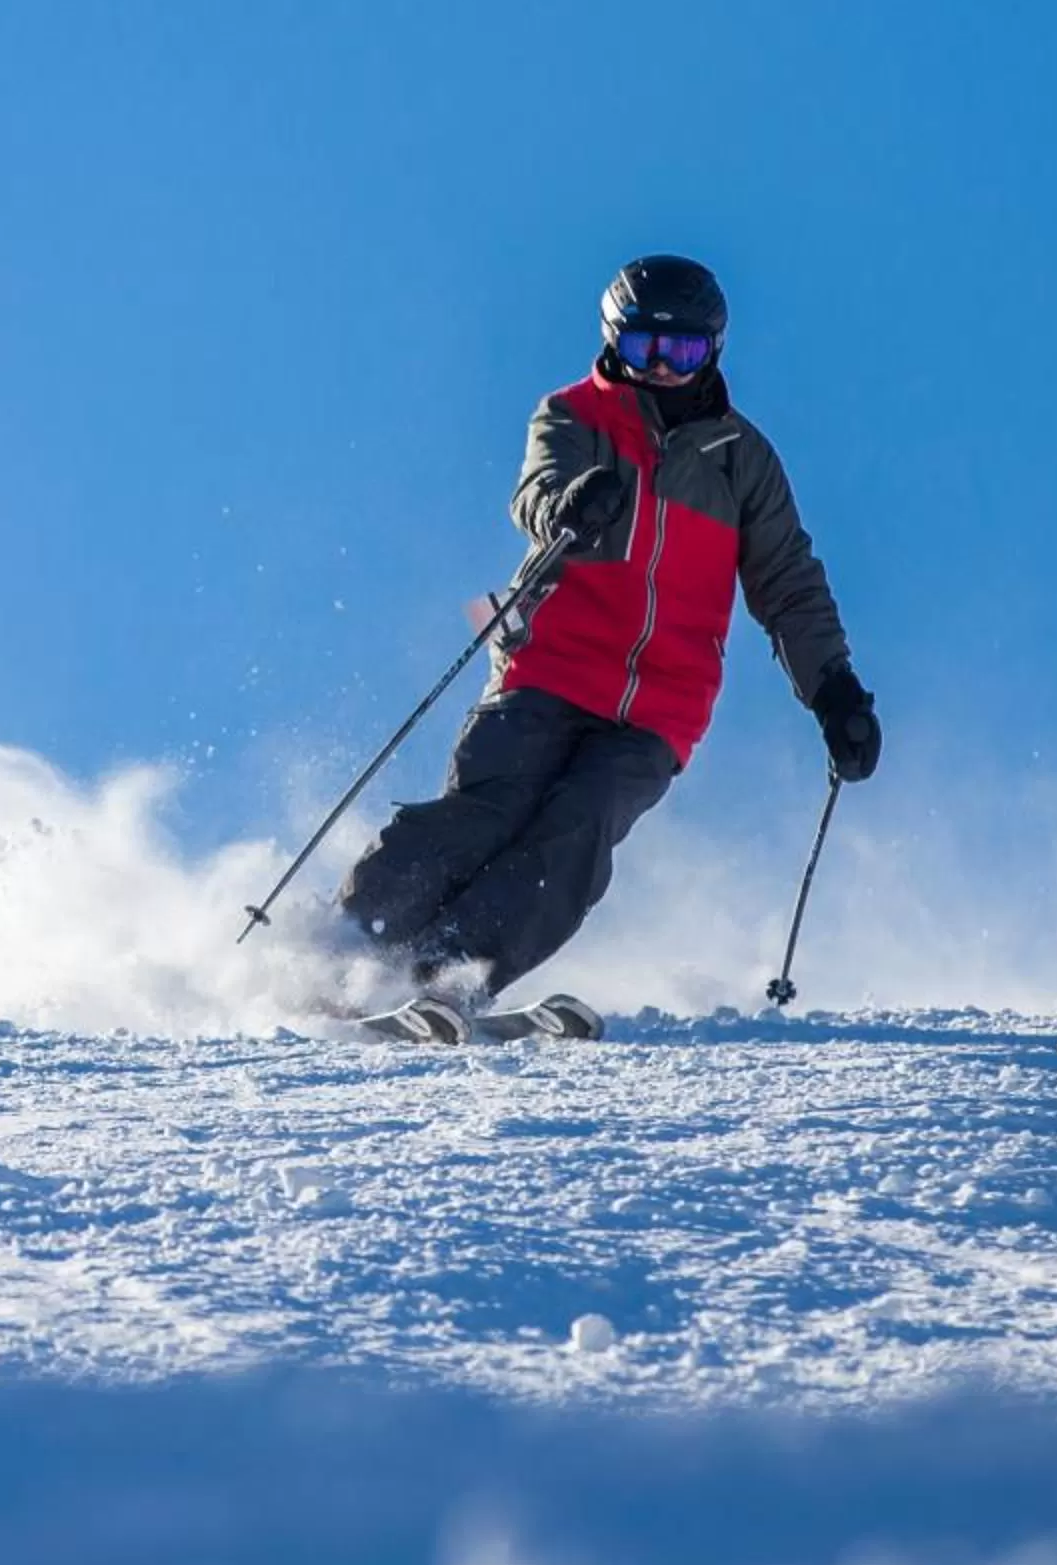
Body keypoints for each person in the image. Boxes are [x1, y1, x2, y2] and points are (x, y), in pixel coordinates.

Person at [335, 253, 879, 1006]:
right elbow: (539, 488)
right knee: (487, 811)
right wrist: (569, 507)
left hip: (661, 706)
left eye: (680, 351)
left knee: (576, 836)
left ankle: (449, 977)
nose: (659, 368)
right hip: (548, 671)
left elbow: (788, 583)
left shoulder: (741, 462)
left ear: (713, 351)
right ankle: (347, 950)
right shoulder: (575, 415)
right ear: (612, 343)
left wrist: (835, 690)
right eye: (641, 349)